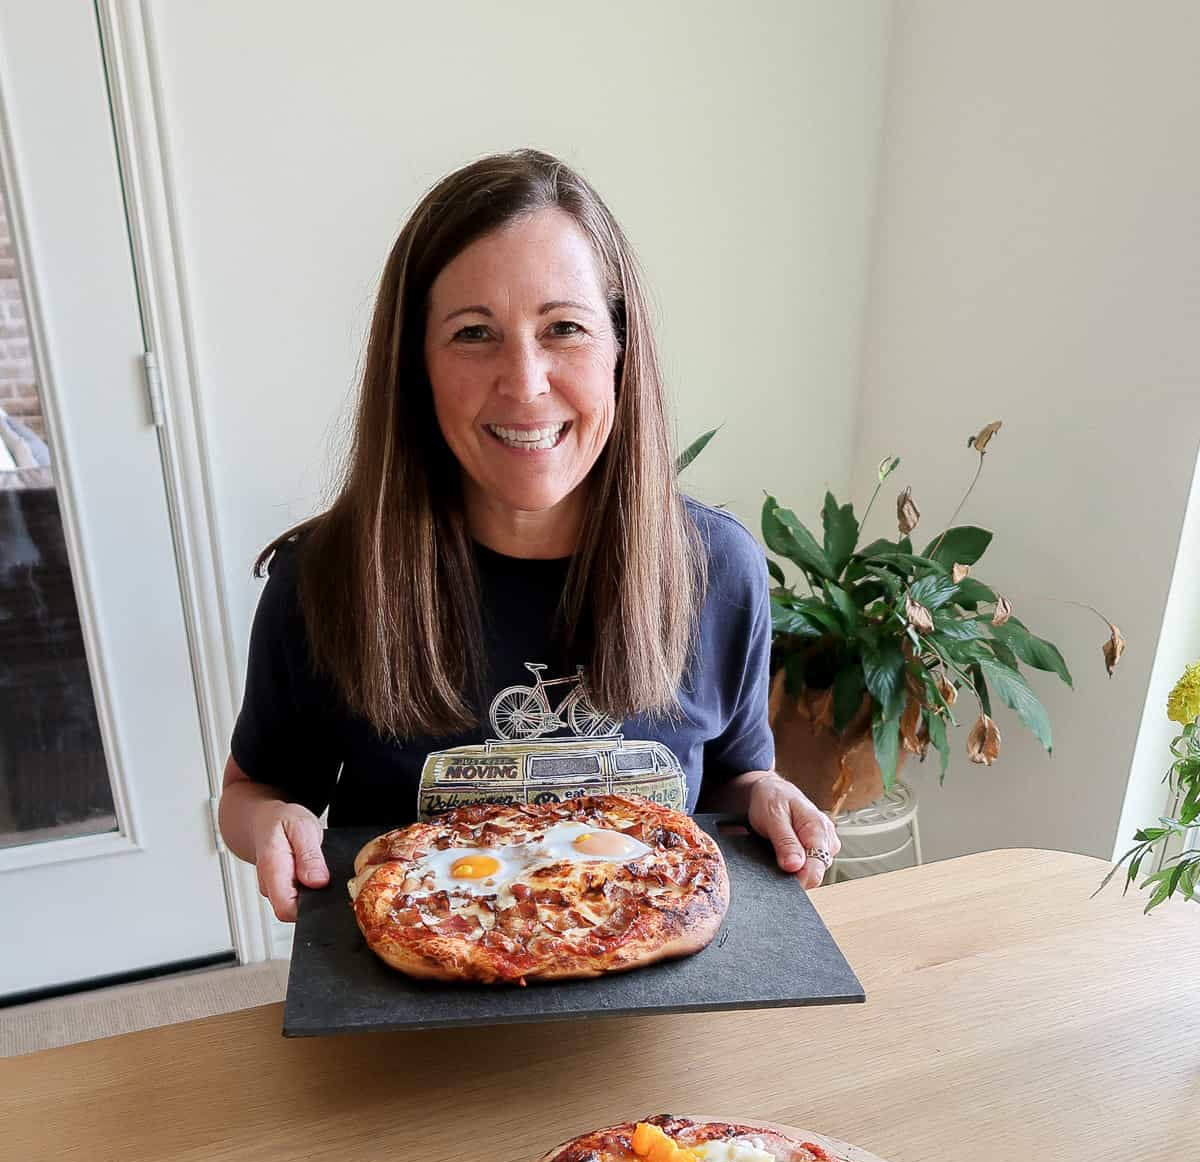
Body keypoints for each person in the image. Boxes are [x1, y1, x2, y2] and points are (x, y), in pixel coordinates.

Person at [219, 148, 840, 922]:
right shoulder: (326, 579)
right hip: (415, 1008)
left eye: (564, 328)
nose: (524, 382)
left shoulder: (718, 567)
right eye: (474, 333)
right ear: (416, 366)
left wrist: (770, 795)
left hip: (653, 1008)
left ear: (620, 349)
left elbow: (734, 780)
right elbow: (251, 793)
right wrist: (270, 825)